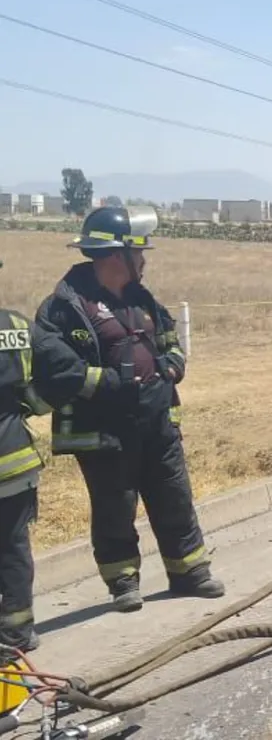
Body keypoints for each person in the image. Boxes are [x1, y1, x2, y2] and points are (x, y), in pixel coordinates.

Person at [31, 205, 224, 613]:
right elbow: (55, 365)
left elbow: (169, 337)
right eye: (140, 252)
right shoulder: (64, 307)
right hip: (105, 427)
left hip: (157, 419)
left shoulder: (142, 297)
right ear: (117, 255)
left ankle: (190, 572)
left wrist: (172, 362)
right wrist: (109, 384)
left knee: (173, 495)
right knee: (114, 505)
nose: (145, 260)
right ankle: (123, 583)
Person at [0, 259, 50, 661]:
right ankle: (18, 634)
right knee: (13, 548)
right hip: (13, 461)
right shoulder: (17, 328)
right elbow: (42, 391)